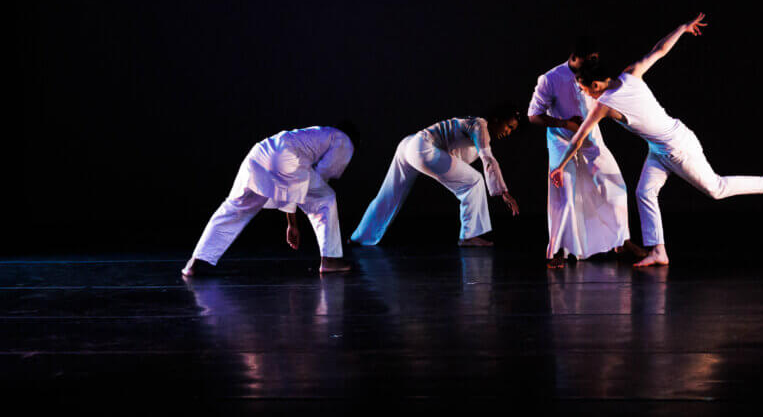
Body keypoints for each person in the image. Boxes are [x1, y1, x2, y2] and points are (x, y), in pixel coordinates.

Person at [551, 13, 763, 267]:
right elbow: (658, 50)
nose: (584, 92)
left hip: (678, 147)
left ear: (596, 85)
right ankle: (659, 251)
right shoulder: (630, 74)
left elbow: (577, 139)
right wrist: (682, 28)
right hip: (659, 149)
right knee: (644, 192)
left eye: (584, 89)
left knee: (716, 189)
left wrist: (560, 166)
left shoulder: (604, 105)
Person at [182, 124, 357, 277]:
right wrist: (292, 224)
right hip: (284, 157)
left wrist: (292, 218)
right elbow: (324, 172)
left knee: (234, 207)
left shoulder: (318, 133)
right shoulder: (343, 139)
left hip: (259, 153)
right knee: (324, 198)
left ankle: (196, 261)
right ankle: (330, 260)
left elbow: (294, 182)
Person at [528, 38, 638, 267]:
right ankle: (557, 250)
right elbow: (534, 115)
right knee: (565, 193)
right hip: (561, 139)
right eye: (590, 60)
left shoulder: (592, 73)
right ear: (575, 57)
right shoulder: (551, 78)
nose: (594, 63)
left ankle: (622, 240)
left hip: (589, 138)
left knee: (615, 186)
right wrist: (564, 123)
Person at [351, 107, 520, 247]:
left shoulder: (475, 126)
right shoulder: (480, 125)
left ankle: (360, 237)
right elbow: (487, 158)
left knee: (390, 194)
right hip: (422, 147)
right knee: (474, 181)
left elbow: (455, 155)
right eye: (509, 126)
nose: (509, 132)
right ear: (497, 119)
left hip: (409, 144)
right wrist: (503, 191)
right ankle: (469, 235)